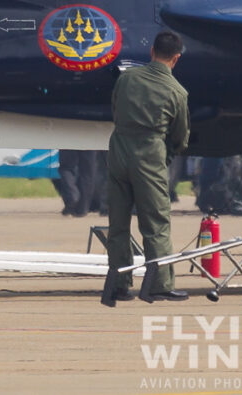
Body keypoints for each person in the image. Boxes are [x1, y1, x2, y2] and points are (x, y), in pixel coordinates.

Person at [104, 31, 190, 303]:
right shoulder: (177, 91)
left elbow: (115, 110)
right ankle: (159, 283)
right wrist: (164, 155)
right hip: (149, 154)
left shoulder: (126, 78)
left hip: (118, 150)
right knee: (156, 223)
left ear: (152, 51)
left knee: (117, 222)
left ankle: (119, 283)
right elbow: (180, 136)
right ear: (176, 59)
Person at [52, 150, 97, 217]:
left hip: (68, 140)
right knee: (87, 172)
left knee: (66, 167)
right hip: (91, 140)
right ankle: (82, 208)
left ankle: (72, 194)